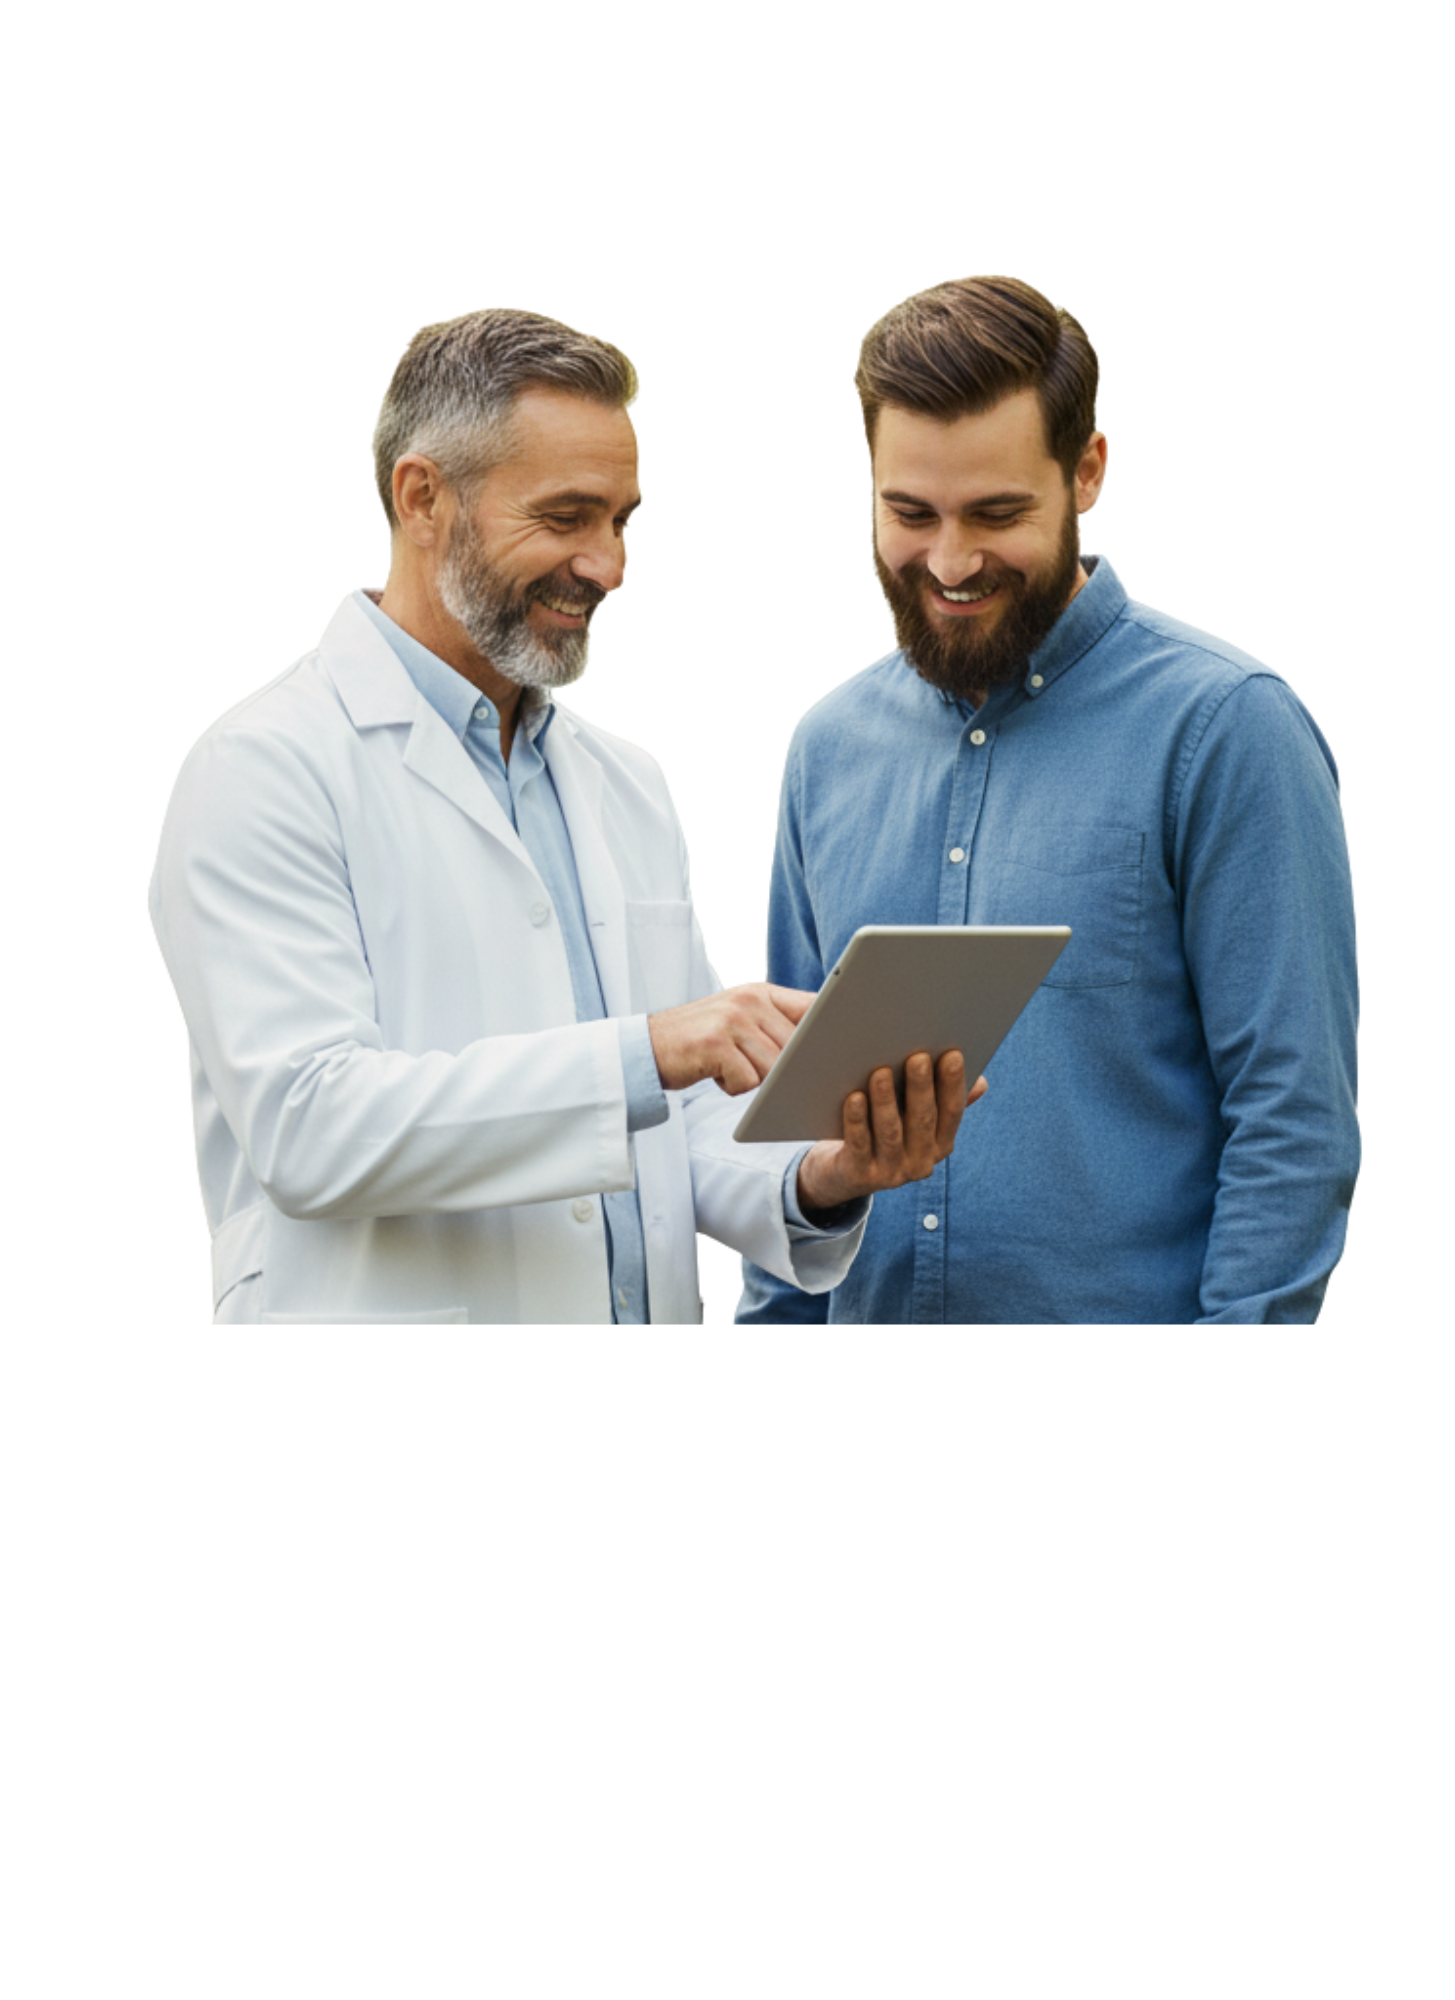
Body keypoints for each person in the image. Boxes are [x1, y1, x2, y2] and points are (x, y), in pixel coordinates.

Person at [146, 307, 988, 1325]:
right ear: (423, 497)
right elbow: (308, 1127)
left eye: (623, 521)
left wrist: (823, 1173)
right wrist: (651, 1048)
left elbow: (681, 1126)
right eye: (564, 517)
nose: (607, 565)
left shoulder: (622, 779)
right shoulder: (262, 768)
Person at [732, 274, 1360, 1326]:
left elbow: (1293, 1123)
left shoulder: (1227, 727)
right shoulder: (825, 747)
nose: (950, 559)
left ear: (1090, 472)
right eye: (910, 512)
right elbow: (785, 1117)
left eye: (997, 513)